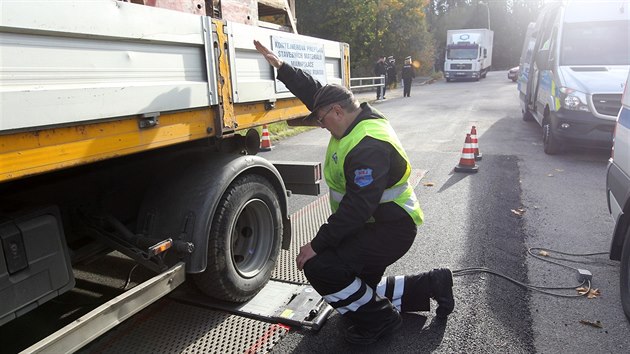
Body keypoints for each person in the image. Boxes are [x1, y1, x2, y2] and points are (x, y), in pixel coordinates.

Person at [253, 40, 454, 345]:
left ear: (336, 111)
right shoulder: (353, 116)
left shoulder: (367, 146)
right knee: (358, 289)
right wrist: (281, 67)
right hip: (376, 225)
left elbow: (357, 208)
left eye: (320, 119)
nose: (320, 125)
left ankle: (380, 320)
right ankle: (431, 284)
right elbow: (315, 92)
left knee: (320, 266)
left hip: (389, 230)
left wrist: (316, 245)